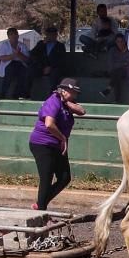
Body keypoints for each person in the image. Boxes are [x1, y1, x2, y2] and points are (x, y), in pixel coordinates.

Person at [28, 79, 86, 211]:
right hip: (43, 144)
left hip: (57, 145)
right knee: (46, 178)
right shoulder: (53, 101)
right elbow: (49, 124)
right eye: (73, 92)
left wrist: (67, 102)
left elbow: (82, 111)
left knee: (65, 177)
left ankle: (40, 203)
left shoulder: (65, 103)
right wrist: (63, 138)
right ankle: (41, 211)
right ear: (63, 91)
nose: (75, 96)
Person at [99, 33, 129, 103]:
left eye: (121, 41)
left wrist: (121, 64)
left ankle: (109, 90)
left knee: (117, 73)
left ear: (125, 41)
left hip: (128, 72)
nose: (120, 43)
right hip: (115, 72)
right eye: (118, 42)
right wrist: (123, 64)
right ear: (115, 42)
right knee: (117, 75)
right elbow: (111, 64)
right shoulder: (113, 51)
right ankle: (116, 98)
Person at [30, 25, 67, 93]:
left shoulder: (60, 46)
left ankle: (52, 96)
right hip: (42, 67)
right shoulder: (41, 44)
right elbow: (33, 54)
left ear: (56, 35)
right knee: (30, 72)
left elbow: (61, 60)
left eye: (53, 35)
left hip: (54, 68)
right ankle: (26, 94)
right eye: (49, 34)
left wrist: (50, 67)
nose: (51, 36)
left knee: (55, 75)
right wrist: (42, 67)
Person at [0, 27, 31, 99]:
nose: (14, 36)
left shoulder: (22, 46)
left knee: (25, 73)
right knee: (10, 70)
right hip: (8, 66)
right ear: (8, 36)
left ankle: (18, 94)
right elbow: (1, 57)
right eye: (11, 35)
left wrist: (19, 54)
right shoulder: (5, 45)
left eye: (15, 34)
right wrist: (13, 55)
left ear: (18, 35)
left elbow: (27, 60)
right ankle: (3, 93)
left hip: (20, 66)